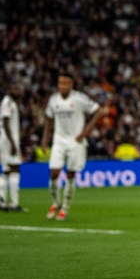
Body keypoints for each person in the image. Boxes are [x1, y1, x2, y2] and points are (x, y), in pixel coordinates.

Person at [40, 73, 108, 220]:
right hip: (59, 140)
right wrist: (45, 140)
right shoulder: (54, 100)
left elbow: (98, 111)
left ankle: (65, 207)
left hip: (75, 142)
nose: (62, 86)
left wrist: (84, 133)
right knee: (54, 173)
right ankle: (56, 202)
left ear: (71, 85)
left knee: (70, 175)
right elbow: (49, 119)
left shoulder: (79, 98)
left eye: (65, 83)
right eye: (60, 83)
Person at [0, 83, 25, 212]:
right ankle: (14, 203)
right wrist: (13, 142)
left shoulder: (9, 102)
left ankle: (2, 201)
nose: (18, 90)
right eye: (15, 88)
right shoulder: (7, 102)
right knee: (15, 169)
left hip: (6, 140)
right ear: (9, 89)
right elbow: (5, 122)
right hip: (9, 141)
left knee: (6, 171)